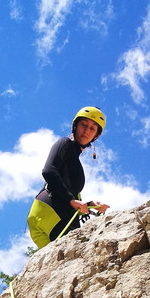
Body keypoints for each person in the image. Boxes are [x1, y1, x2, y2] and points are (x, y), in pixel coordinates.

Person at [27, 106, 110, 249]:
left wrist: (90, 204)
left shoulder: (73, 156)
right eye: (84, 124)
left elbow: (66, 187)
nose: (86, 130)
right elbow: (49, 171)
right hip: (52, 212)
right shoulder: (65, 143)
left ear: (96, 135)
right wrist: (72, 201)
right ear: (75, 125)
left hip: (49, 213)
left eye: (92, 128)